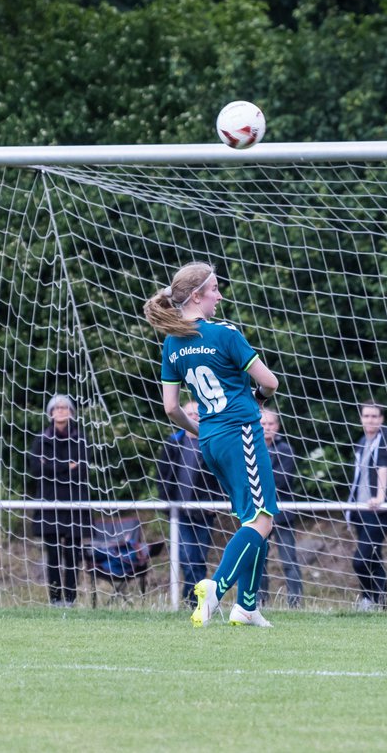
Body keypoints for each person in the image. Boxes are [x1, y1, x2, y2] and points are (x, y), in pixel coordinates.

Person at [144, 260, 281, 628]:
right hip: (241, 433)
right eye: (215, 289)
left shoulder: (172, 344)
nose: (220, 296)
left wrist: (195, 428)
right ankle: (216, 589)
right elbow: (270, 382)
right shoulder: (225, 334)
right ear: (196, 295)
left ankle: (247, 606)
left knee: (249, 520)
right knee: (263, 519)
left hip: (211, 441)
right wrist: (259, 396)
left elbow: (171, 408)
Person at [28, 393, 91, 607]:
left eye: (65, 408)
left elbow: (81, 470)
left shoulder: (81, 438)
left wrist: (52, 467)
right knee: (53, 555)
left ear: (71, 412)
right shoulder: (41, 439)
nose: (61, 411)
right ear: (50, 413)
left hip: (74, 504)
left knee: (73, 556)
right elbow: (37, 469)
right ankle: (55, 600)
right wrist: (66, 467)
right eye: (57, 408)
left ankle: (71, 600)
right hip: (49, 504)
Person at [156, 400, 219, 606]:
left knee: (199, 557)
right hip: (179, 513)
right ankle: (192, 599)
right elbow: (162, 476)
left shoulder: (211, 442)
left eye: (197, 414)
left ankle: (193, 601)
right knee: (186, 556)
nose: (194, 418)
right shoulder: (173, 442)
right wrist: (168, 504)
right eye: (190, 414)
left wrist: (216, 502)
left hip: (204, 512)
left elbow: (222, 477)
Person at [347, 401, 387, 611]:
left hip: (380, 510)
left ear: (381, 419)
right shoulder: (362, 441)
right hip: (360, 510)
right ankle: (381, 605)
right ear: (361, 418)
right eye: (366, 416)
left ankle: (368, 599)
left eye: (374, 416)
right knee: (374, 557)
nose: (370, 420)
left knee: (360, 560)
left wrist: (380, 497)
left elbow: (383, 466)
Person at [260, 407, 304, 608]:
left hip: (282, 514)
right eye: (263, 424)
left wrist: (257, 475)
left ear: (277, 426)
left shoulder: (286, 450)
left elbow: (281, 479)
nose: (267, 428)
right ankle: (260, 601)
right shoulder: (249, 446)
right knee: (258, 561)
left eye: (270, 424)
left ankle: (295, 603)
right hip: (258, 513)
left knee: (289, 561)